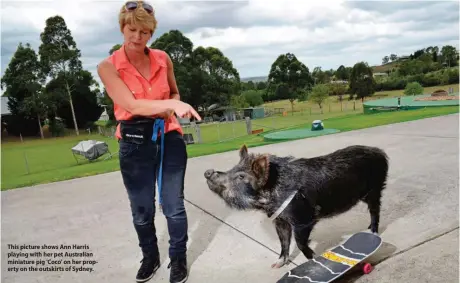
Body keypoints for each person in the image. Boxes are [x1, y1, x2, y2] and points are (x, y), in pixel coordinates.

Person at [97, 1, 201, 282]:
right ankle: (150, 257)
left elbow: (175, 93)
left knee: (173, 205)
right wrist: (168, 104)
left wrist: (173, 105)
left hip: (169, 135)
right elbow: (130, 104)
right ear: (122, 27)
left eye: (145, 32)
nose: (137, 37)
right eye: (132, 30)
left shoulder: (163, 58)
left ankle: (178, 259)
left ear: (151, 32)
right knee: (142, 210)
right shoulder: (108, 67)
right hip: (133, 142)